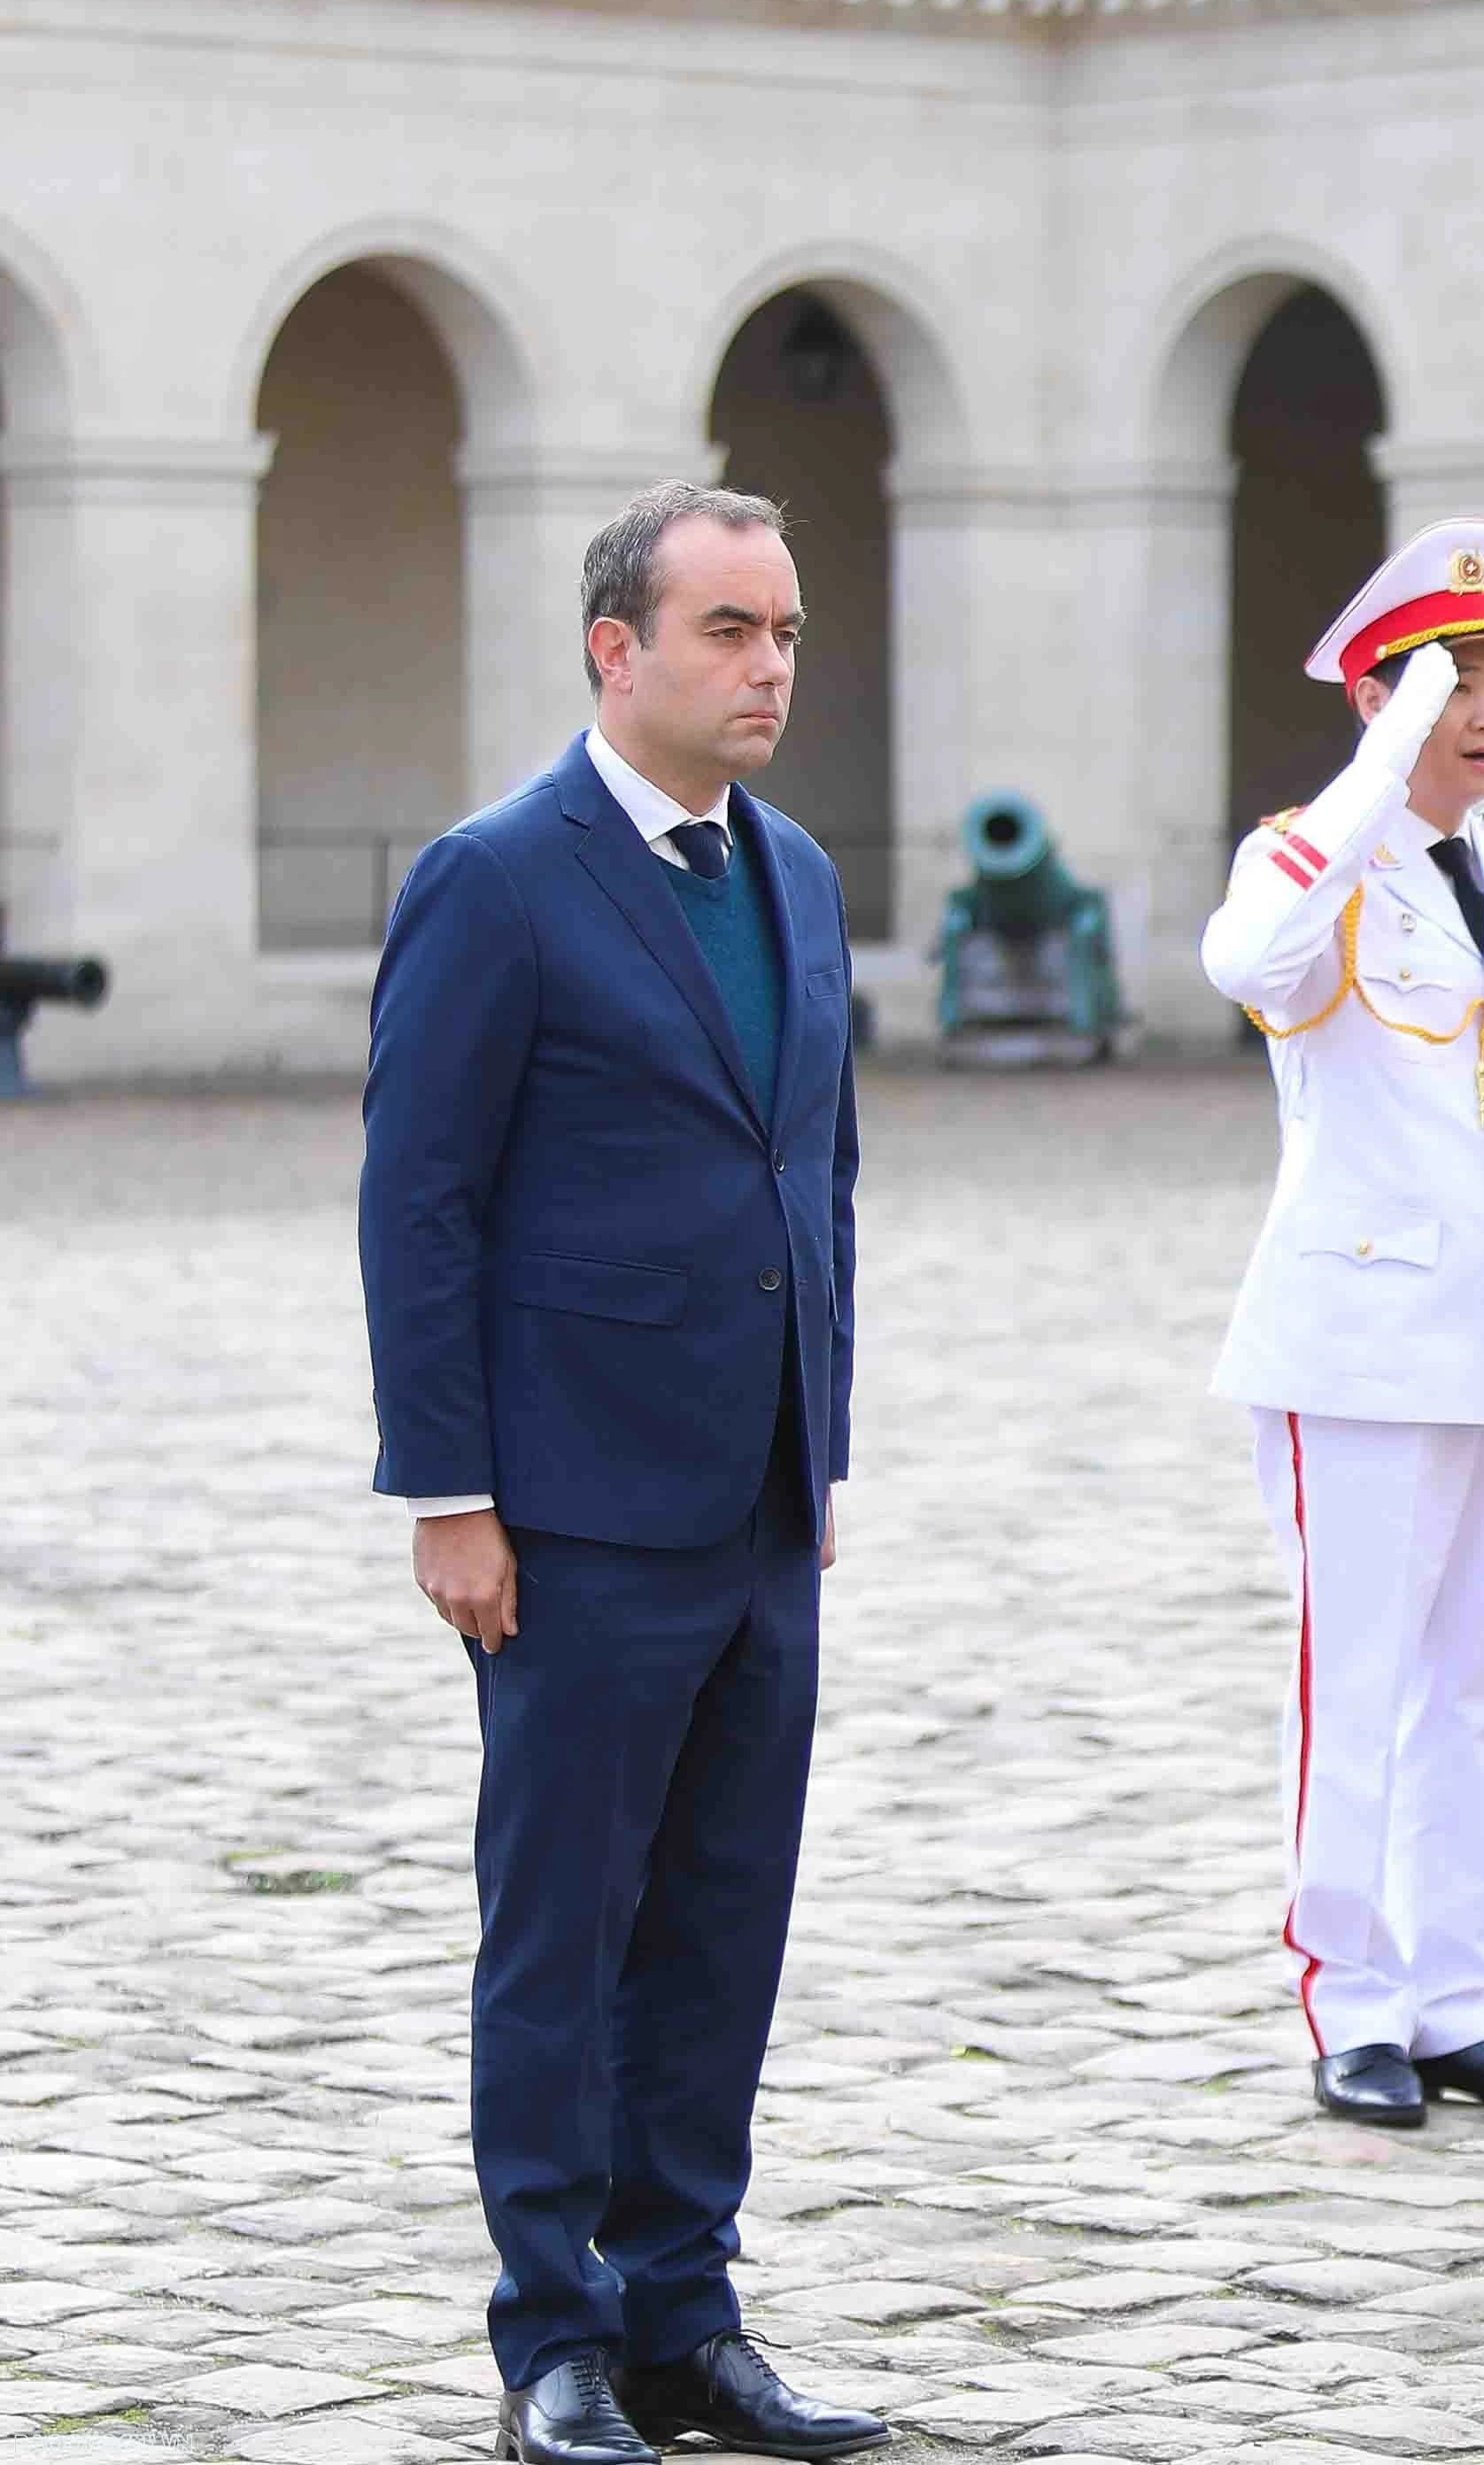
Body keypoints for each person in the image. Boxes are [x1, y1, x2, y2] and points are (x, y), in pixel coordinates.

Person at [358, 482, 887, 2465]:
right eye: (731, 628)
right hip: (571, 1507)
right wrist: (449, 1488)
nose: (770, 666)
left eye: (786, 631)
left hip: (759, 1501)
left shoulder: (797, 871)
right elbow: (420, 1201)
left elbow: (818, 1172)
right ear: (617, 647)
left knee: (723, 1923)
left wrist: (819, 1440)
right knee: (564, 1933)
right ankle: (553, 2336)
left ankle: (685, 2311)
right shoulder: (498, 878)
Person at [1200, 520, 1484, 2134]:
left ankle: (1453, 1999)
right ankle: (1349, 1999)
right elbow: (1245, 959)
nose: (1482, 716)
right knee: (1350, 1684)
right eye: (1445, 686)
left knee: (1480, 1689)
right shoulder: (1310, 862)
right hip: (1353, 1345)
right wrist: (1373, 773)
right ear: (1376, 698)